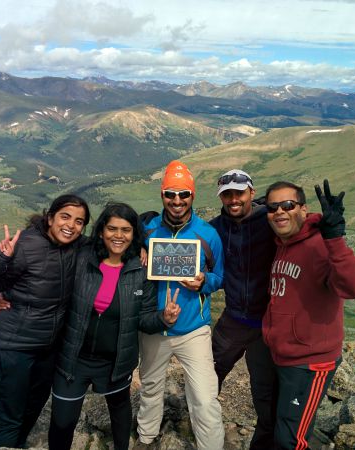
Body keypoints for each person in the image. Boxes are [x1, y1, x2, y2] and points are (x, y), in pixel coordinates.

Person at [48, 202, 181, 450]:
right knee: (62, 422)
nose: (118, 236)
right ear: (101, 231)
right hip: (73, 359)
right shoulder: (82, 257)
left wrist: (164, 318)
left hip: (116, 362)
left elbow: (144, 318)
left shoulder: (141, 271)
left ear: (134, 235)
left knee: (120, 418)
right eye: (112, 228)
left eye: (126, 230)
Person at [0, 194, 90, 449]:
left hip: (47, 349)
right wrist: (0, 259)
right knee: (9, 417)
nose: (71, 225)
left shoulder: (77, 245)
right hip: (14, 347)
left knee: (33, 408)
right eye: (65, 217)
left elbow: (113, 241)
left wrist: (143, 246)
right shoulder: (24, 245)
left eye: (79, 221)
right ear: (50, 218)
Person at [262, 180, 355, 450]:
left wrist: (335, 238)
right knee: (284, 428)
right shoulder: (283, 243)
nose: (280, 212)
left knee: (290, 440)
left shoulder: (321, 245)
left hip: (310, 363)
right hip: (285, 357)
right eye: (272, 207)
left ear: (303, 209)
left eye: (288, 205)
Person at [134, 160, 225, 450]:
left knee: (204, 395)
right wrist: (138, 250)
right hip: (154, 328)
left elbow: (219, 276)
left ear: (192, 196)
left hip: (193, 329)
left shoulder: (208, 234)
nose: (177, 201)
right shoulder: (147, 231)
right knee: (150, 388)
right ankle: (146, 439)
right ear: (162, 195)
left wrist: (204, 282)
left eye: (183, 194)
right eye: (170, 194)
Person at [209, 169, 277, 449]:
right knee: (208, 377)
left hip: (267, 325)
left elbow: (303, 229)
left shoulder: (272, 221)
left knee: (265, 392)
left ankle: (264, 443)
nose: (233, 199)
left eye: (238, 192)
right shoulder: (216, 227)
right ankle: (203, 426)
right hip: (233, 319)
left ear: (251, 192)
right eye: (227, 194)